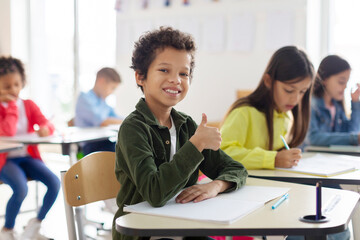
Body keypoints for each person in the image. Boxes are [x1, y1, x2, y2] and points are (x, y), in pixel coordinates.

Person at [112, 26, 248, 240]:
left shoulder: (186, 124)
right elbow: (155, 193)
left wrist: (216, 185)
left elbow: (236, 169)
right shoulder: (133, 128)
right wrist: (195, 146)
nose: (176, 80)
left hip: (183, 227)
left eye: (183, 73)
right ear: (140, 77)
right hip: (144, 232)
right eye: (164, 70)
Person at [220, 46, 314, 170]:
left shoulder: (288, 115)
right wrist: (273, 159)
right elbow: (222, 154)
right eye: (289, 90)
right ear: (268, 81)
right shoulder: (244, 112)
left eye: (302, 92)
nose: (295, 99)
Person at [0, 56, 60, 240]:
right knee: (20, 188)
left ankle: (34, 225)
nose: (14, 90)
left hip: (26, 158)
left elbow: (48, 125)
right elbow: (7, 132)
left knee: (54, 183)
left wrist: (45, 129)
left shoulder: (28, 105)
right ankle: (7, 230)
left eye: (17, 84)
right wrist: (10, 106)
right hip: (5, 160)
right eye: (7, 86)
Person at [306, 55, 360, 146]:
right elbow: (312, 138)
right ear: (324, 79)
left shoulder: (337, 107)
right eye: (341, 82)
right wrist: (354, 138)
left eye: (347, 82)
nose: (345, 86)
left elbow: (352, 132)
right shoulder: (311, 105)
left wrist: (355, 103)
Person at [74, 67, 124, 156]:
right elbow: (102, 122)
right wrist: (128, 121)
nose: (112, 92)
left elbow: (116, 117)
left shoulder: (102, 102)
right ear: (101, 81)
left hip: (104, 141)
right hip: (90, 146)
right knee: (120, 154)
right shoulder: (84, 98)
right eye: (112, 88)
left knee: (126, 148)